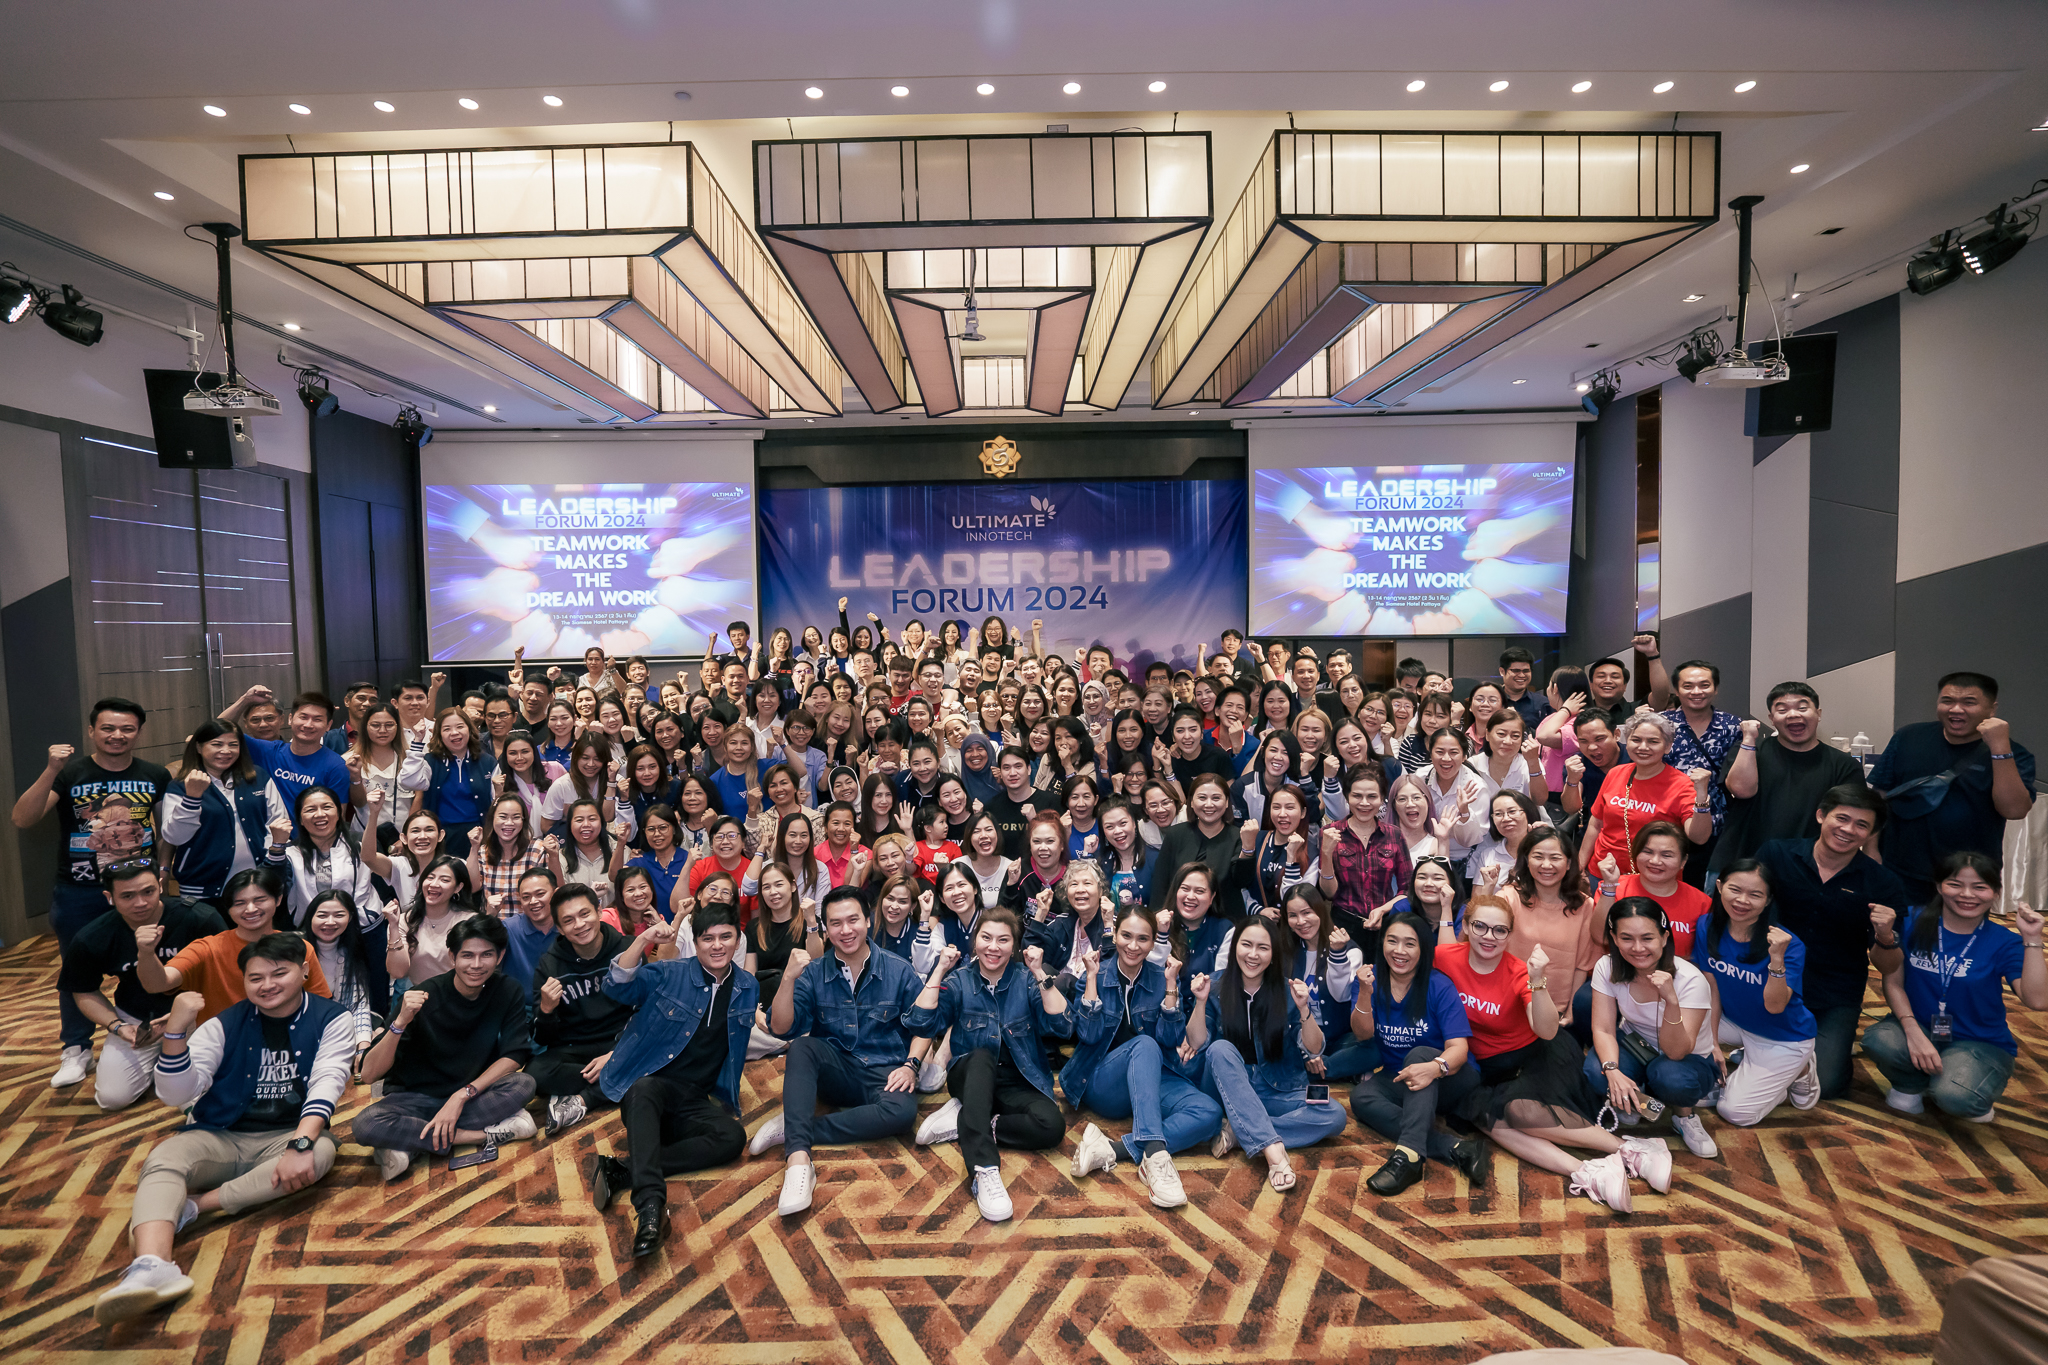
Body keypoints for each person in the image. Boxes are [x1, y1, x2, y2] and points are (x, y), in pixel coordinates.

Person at [90, 931, 354, 1326]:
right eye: (255, 978)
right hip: (221, 1134)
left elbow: (328, 1081)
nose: (267, 985)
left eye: (279, 974)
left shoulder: (332, 1018)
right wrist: (175, 1034)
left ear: (303, 971)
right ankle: (152, 1266)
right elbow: (176, 1093)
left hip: (285, 1135)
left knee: (319, 1154)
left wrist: (300, 1144)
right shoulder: (223, 1024)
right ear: (243, 980)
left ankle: (194, 1207)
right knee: (164, 1158)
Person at [1437, 896, 1661, 1214]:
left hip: (1538, 1054)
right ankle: (1587, 1172)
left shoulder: (1518, 972)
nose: (1489, 936)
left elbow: (1546, 1030)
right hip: (1487, 1067)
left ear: (1510, 934)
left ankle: (1632, 1149)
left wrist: (1538, 981)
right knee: (1485, 1116)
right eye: (1480, 927)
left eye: (1500, 930)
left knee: (1520, 1113)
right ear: (1466, 926)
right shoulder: (1445, 957)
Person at [12, 697, 173, 1088]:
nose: (117, 735)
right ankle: (76, 1048)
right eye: (108, 728)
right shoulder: (71, 773)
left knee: (150, 959)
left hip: (139, 892)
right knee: (77, 969)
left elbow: (167, 830)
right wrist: (52, 769)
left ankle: (155, 1031)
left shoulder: (154, 774)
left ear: (138, 732)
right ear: (91, 731)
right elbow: (23, 818)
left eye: (127, 729)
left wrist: (164, 871)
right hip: (79, 889)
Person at [582, 903, 756, 1258]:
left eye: (726, 937)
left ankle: (623, 1169)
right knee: (644, 1087)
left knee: (732, 1137)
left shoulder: (747, 986)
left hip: (694, 1099)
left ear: (738, 941)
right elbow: (617, 985)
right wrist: (643, 939)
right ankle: (650, 1208)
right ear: (696, 942)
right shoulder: (669, 973)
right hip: (649, 1096)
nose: (717, 945)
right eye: (708, 939)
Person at [753, 885, 928, 1216]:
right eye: (836, 923)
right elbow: (781, 1028)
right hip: (836, 1071)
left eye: (853, 920)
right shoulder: (815, 972)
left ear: (868, 920)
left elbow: (924, 1025)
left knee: (903, 1114)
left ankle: (796, 1127)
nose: (846, 930)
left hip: (884, 1071)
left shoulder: (898, 969)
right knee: (802, 1047)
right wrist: (788, 979)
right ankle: (798, 1160)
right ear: (826, 928)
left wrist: (911, 1065)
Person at [908, 908, 1073, 1222]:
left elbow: (1062, 1026)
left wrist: (1040, 973)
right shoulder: (959, 980)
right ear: (975, 942)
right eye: (986, 938)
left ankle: (970, 1118)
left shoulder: (1026, 980)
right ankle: (984, 1168)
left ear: (1014, 946)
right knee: (982, 1055)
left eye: (1003, 940)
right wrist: (939, 970)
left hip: (1017, 1079)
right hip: (970, 1073)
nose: (993, 947)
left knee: (1051, 1126)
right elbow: (921, 1022)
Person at [1862, 851, 2045, 1123]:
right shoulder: (1912, 921)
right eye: (1955, 884)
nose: (1967, 895)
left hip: (1979, 1041)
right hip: (1918, 1026)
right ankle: (1910, 1083)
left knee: (1955, 1095)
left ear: (1996, 893)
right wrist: (1913, 1032)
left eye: (1980, 887)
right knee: (1880, 1039)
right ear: (1939, 887)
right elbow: (1892, 981)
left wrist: (2032, 938)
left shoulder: (2003, 941)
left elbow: (2038, 1000)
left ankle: (1964, 1086)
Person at [353, 915, 540, 1181]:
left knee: (524, 1084)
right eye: (467, 955)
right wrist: (400, 1022)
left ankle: (410, 1143)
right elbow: (369, 1074)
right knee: (366, 1123)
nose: (476, 965)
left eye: (486, 955)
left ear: (500, 957)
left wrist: (460, 1096)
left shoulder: (507, 990)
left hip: (469, 1096)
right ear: (452, 957)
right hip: (416, 1098)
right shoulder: (423, 996)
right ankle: (479, 1135)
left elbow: (514, 1055)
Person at [1755, 782, 1907, 1100]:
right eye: (1842, 818)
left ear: (1871, 833)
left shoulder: (1883, 882)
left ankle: (1792, 1054)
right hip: (1771, 980)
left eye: (1861, 825)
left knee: (1827, 1084)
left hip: (1835, 993)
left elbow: (1888, 965)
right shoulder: (1777, 854)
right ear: (1821, 815)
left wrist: (1885, 935)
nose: (1848, 830)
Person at [1064, 907, 1220, 1206]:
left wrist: (1171, 986)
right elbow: (1088, 1036)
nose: (1133, 946)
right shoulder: (1094, 974)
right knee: (1145, 1044)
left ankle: (1113, 1150)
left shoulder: (1161, 978)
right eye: (1126, 936)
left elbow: (1171, 1039)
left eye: (1143, 939)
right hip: (1101, 1081)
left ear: (1153, 943)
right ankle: (1156, 1159)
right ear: (1115, 935)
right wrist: (1093, 979)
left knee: (1208, 1112)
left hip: (1150, 1078)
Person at [1186, 917, 1349, 1193]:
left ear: (1273, 954)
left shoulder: (1287, 991)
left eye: (1263, 947)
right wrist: (1200, 1003)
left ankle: (1240, 1130)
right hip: (1225, 1088)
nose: (1253, 954)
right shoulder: (1213, 985)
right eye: (1246, 945)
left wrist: (1304, 1009)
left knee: (1335, 1114)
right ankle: (1272, 1151)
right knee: (1220, 1048)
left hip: (1275, 1087)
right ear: (1234, 947)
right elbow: (1196, 1041)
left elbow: (1314, 1049)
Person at [58, 863, 227, 1111]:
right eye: (127, 896)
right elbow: (83, 990)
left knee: (194, 1097)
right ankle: (161, 1058)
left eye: (148, 892)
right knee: (112, 1098)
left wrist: (190, 1016)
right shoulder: (92, 936)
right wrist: (117, 1026)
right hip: (138, 1021)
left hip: (199, 1015)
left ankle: (170, 1058)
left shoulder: (200, 918)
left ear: (161, 886)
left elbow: (228, 973)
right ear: (109, 897)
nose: (140, 903)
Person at [1347, 911, 1487, 1194]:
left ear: (1423, 949)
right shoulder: (1369, 981)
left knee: (1420, 1053)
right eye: (1392, 941)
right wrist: (1364, 992)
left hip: (1451, 1076)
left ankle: (1408, 1158)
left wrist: (1434, 1068)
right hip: (1401, 1075)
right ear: (1382, 943)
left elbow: (1459, 1049)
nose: (1399, 951)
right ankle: (1456, 1147)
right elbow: (1363, 1035)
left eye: (1409, 944)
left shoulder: (1439, 985)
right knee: (1361, 1097)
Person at [1869, 672, 2035, 906]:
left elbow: (2014, 810)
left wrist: (1999, 748)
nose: (1956, 709)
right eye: (1947, 701)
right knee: (1893, 928)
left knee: (1961, 931)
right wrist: (1871, 850)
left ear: (1992, 709)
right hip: (1900, 869)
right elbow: (1878, 797)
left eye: (1969, 702)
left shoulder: (2014, 754)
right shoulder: (1908, 737)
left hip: (1969, 879)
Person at [1583, 897, 1720, 1159]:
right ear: (1614, 938)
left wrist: (1671, 1001)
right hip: (1637, 1045)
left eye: (1647, 938)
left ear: (1664, 937)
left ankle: (1684, 1116)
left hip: (1685, 1059)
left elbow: (1676, 1051)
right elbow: (1603, 1029)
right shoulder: (1607, 966)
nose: (1638, 948)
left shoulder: (1691, 979)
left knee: (1671, 1078)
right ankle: (1635, 1096)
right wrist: (1612, 1071)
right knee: (1596, 1072)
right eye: (1626, 938)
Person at [1695, 860, 1821, 1126]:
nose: (1742, 901)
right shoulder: (1707, 925)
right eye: (1735, 889)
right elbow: (1712, 988)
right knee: (1679, 1020)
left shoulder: (1789, 945)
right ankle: (1752, 1064)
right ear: (1719, 886)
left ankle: (1802, 1070)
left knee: (1734, 1112)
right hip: (1733, 1022)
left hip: (1782, 1036)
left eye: (1755, 894)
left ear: (1768, 900)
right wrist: (1713, 1043)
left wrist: (1776, 959)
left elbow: (1775, 1006)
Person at [135, 867, 331, 1022]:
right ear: (228, 909)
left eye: (260, 900)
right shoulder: (207, 948)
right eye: (239, 903)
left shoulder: (300, 947)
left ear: (278, 899)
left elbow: (320, 1005)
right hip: (222, 1045)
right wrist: (146, 953)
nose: (250, 909)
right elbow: (157, 984)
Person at [1713, 683, 1864, 876]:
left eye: (1802, 708)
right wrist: (1749, 739)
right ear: (1771, 719)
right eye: (1782, 710)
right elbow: (1741, 790)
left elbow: (1857, 817)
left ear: (1818, 714)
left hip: (1807, 870)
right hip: (1740, 865)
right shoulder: (1749, 750)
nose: (1793, 714)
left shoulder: (1844, 765)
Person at [531, 886, 636, 1130]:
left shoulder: (627, 949)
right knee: (536, 1073)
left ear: (599, 911)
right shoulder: (550, 965)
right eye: (568, 920)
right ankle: (621, 1081)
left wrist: (615, 1055)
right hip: (575, 1048)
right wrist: (546, 1010)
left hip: (621, 1041)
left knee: (663, 1055)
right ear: (559, 928)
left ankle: (585, 1099)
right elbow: (544, 1038)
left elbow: (648, 1011)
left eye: (584, 914)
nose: (579, 925)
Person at [159, 719, 291, 910]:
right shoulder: (180, 785)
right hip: (202, 888)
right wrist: (192, 798)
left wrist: (268, 863)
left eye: (233, 745)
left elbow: (278, 821)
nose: (226, 751)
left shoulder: (258, 777)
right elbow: (175, 837)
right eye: (217, 744)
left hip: (256, 884)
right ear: (199, 747)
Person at [1579, 713, 1712, 874]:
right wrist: (1580, 866)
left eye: (1653, 741)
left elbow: (1699, 837)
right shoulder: (1616, 773)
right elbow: (1595, 824)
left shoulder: (1681, 784)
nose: (1643, 747)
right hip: (1602, 871)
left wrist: (1702, 797)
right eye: (1636, 740)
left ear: (1667, 746)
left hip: (1654, 876)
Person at [1649, 658, 1743, 884]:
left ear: (1715, 688)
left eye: (1704, 685)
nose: (1697, 692)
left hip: (1717, 823)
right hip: (1666, 820)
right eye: (1688, 686)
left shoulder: (1732, 726)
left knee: (1706, 888)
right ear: (1676, 690)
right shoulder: (1660, 724)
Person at [220, 687, 353, 827]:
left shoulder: (336, 766)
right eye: (303, 717)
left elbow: (336, 818)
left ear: (328, 725)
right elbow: (219, 730)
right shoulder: (269, 751)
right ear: (290, 719)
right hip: (265, 836)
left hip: (307, 839)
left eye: (317, 719)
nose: (308, 725)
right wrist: (245, 700)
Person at [1498, 647, 1548, 730]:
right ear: (1502, 671)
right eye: (1516, 670)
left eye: (1526, 671)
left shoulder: (1543, 704)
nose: (1521, 675)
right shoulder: (1492, 702)